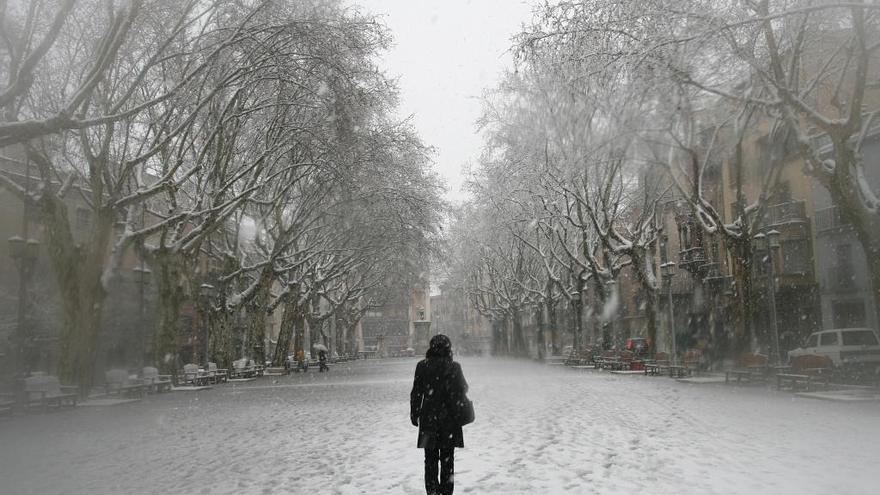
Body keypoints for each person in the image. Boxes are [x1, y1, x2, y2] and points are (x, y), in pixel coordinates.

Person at [410, 334, 469, 495]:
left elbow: (416, 393)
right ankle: (446, 491)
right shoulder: (454, 367)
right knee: (448, 461)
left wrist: (414, 414)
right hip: (450, 419)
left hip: (428, 419)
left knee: (430, 460)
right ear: (448, 348)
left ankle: (432, 492)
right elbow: (463, 389)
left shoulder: (422, 366)